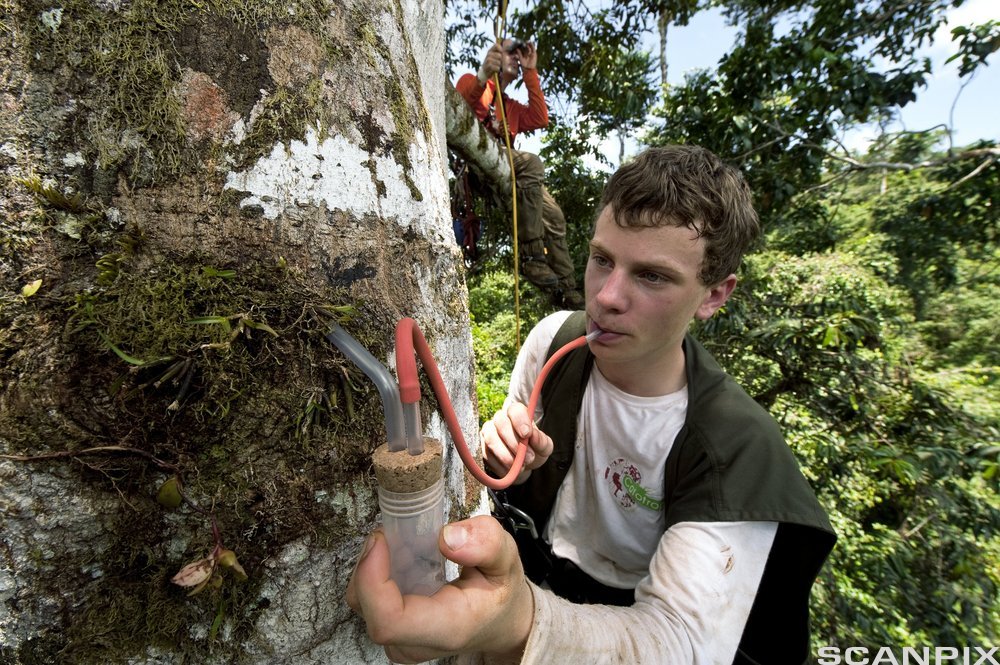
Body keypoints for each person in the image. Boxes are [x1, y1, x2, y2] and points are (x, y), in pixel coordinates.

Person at [347, 145, 836, 664]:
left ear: (714, 295)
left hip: (622, 617)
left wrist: (518, 622)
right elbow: (509, 465)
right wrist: (502, 453)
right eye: (602, 259)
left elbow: (685, 644)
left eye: (652, 276)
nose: (606, 296)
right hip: (532, 567)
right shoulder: (554, 341)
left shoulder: (736, 449)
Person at [455, 39, 584, 309]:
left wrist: (530, 72)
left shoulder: (509, 106)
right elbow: (460, 107)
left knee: (554, 216)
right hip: (478, 167)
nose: (515, 57)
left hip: (509, 169)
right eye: (510, 53)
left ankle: (568, 287)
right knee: (533, 162)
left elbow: (540, 117)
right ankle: (531, 256)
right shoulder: (475, 83)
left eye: (518, 54)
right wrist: (483, 75)